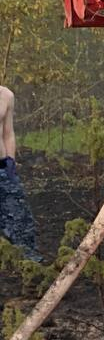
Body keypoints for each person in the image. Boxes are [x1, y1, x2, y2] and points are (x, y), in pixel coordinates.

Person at [0, 86, 40, 262]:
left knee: (21, 223)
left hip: (2, 170)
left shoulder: (6, 95)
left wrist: (10, 162)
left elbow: (8, 133)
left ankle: (30, 272)